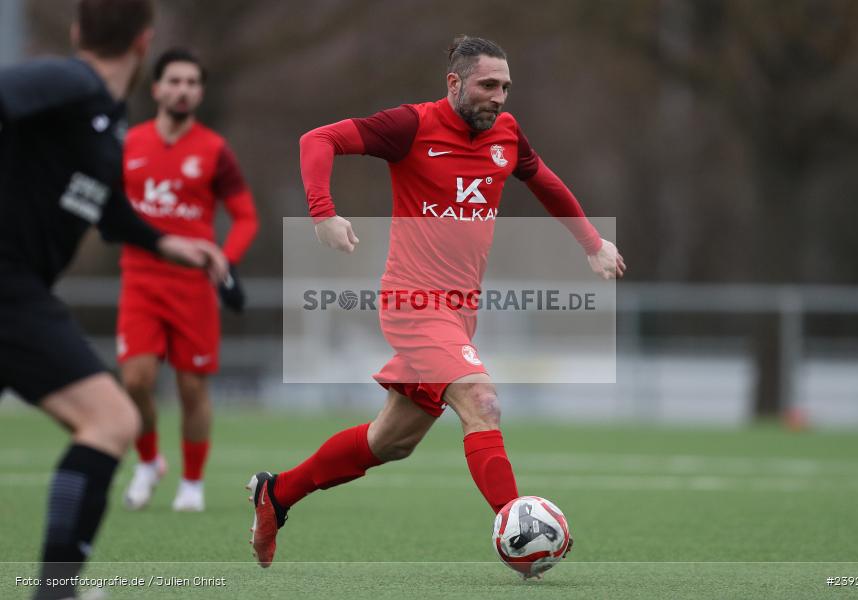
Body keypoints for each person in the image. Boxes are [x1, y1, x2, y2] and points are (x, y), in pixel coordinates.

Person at [246, 35, 625, 569]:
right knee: (482, 401)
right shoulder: (412, 125)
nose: (499, 97)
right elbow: (318, 139)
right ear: (455, 83)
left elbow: (545, 182)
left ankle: (277, 494)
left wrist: (592, 243)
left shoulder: (507, 135)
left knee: (390, 441)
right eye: (488, 85)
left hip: (459, 314)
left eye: (506, 87)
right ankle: (519, 528)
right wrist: (322, 211)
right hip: (412, 303)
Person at [0, 1, 228, 598]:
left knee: (109, 418)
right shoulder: (71, 82)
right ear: (144, 43)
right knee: (110, 418)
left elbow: (106, 210)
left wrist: (169, 244)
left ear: (80, 30)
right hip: (8, 286)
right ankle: (57, 590)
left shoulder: (104, 123)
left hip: (20, 291)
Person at [118, 48, 258, 513]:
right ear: (156, 89)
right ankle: (149, 460)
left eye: (192, 82)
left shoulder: (214, 150)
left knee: (192, 389)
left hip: (193, 289)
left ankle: (192, 484)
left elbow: (245, 218)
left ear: (200, 91)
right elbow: (110, 209)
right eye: (174, 81)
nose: (183, 90)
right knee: (135, 380)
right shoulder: (128, 143)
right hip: (139, 280)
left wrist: (224, 259)